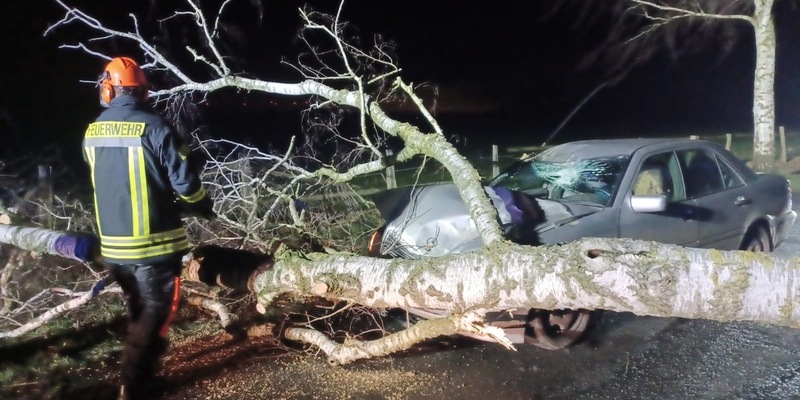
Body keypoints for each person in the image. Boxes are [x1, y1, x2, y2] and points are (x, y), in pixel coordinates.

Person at [82, 56, 215, 399]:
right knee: (156, 313)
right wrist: (201, 204)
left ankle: (139, 378)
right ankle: (134, 385)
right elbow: (186, 185)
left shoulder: (92, 131)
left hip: (113, 250)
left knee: (139, 310)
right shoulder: (156, 128)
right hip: (154, 248)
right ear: (143, 92)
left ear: (110, 89)